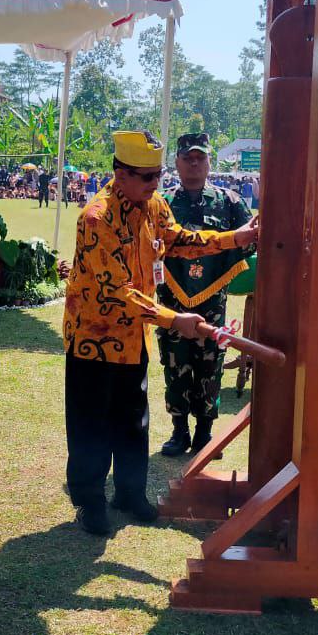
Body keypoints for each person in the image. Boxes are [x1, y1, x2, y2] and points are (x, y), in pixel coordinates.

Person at [62, 130, 258, 536]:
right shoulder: (97, 218)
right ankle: (89, 501)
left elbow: (179, 241)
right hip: (93, 341)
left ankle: (129, 494)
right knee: (91, 425)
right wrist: (173, 318)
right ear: (120, 173)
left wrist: (232, 238)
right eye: (146, 176)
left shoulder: (152, 205)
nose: (155, 184)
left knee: (133, 420)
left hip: (133, 339)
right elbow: (117, 291)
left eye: (157, 174)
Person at [156, 133, 252, 456]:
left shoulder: (230, 202)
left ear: (210, 161)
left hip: (213, 304)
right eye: (188, 158)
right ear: (177, 163)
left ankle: (205, 433)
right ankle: (179, 431)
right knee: (175, 364)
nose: (194, 163)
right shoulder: (163, 203)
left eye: (200, 158)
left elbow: (251, 239)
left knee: (210, 364)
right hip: (172, 301)